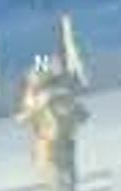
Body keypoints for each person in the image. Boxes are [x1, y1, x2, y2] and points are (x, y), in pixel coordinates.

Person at [16, 54, 89, 191]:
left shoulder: (41, 97)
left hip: (51, 143)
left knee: (58, 178)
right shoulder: (59, 93)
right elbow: (82, 114)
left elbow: (24, 117)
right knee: (64, 176)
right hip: (62, 142)